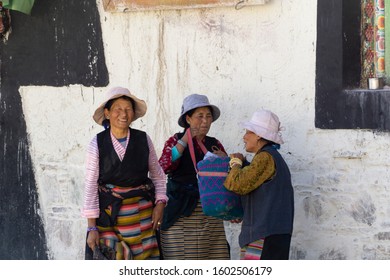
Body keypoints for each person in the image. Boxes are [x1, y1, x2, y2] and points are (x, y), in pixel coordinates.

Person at [82, 86, 168, 260]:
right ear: (107, 113)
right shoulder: (97, 143)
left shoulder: (143, 139)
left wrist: (160, 204)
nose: (123, 114)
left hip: (143, 215)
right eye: (118, 109)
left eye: (128, 109)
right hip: (109, 217)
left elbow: (158, 175)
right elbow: (90, 185)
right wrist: (91, 228)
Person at [158, 93, 230, 259]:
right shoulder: (174, 141)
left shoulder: (214, 144)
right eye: (199, 116)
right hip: (181, 212)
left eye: (208, 116)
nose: (205, 121)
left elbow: (228, 176)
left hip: (210, 214)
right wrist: (185, 140)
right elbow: (165, 165)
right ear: (188, 119)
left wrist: (224, 160)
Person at [224, 109, 294, 260]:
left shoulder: (265, 158)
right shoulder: (268, 158)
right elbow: (256, 187)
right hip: (272, 233)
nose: (244, 137)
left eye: (248, 132)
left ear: (259, 135)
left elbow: (236, 184)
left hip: (265, 235)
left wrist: (235, 162)